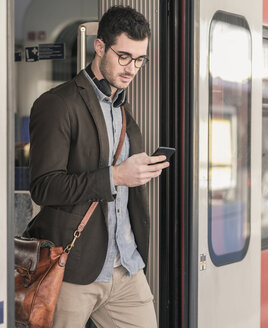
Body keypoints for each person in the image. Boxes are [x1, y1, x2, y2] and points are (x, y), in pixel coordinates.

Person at [25, 5, 169, 328]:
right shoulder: (57, 104)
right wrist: (116, 176)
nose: (132, 68)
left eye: (140, 60)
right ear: (99, 46)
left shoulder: (124, 111)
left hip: (125, 265)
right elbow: (44, 186)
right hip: (74, 268)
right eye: (124, 56)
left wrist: (141, 170)